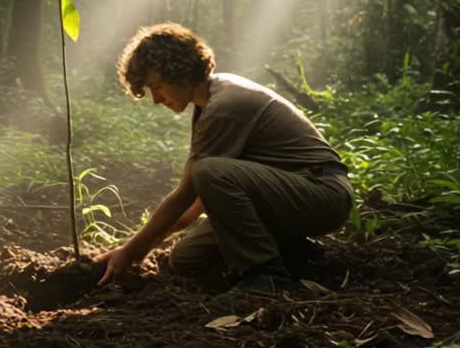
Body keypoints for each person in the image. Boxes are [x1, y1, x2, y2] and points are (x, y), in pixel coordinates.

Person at [94, 22, 352, 293]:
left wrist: (132, 251)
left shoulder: (225, 105)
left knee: (208, 171)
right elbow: (201, 199)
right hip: (288, 196)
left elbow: (190, 189)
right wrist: (151, 241)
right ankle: (296, 253)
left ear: (179, 71)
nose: (156, 99)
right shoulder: (207, 104)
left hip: (323, 194)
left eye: (156, 86)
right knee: (187, 257)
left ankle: (267, 274)